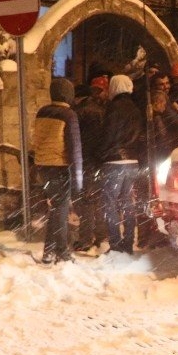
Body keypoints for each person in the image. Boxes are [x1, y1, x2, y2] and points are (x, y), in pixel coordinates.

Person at [32, 78, 83, 264]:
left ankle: (50, 251)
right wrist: (79, 180)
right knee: (60, 210)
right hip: (60, 167)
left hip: (42, 167)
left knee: (55, 209)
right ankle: (61, 252)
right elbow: (74, 148)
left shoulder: (42, 112)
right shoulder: (68, 115)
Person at [99, 74, 144, 254]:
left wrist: (100, 153)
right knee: (127, 202)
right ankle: (129, 242)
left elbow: (108, 134)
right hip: (133, 161)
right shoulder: (136, 109)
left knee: (109, 203)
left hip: (114, 160)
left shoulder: (113, 108)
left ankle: (116, 243)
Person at [70, 75, 109, 252]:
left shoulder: (80, 111)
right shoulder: (104, 110)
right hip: (99, 160)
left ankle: (86, 239)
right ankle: (101, 235)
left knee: (86, 201)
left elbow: (76, 139)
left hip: (86, 161)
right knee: (97, 199)